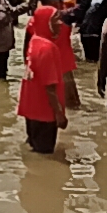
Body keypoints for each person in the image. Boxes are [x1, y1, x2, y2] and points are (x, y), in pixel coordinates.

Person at [17, 9, 70, 154]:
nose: (60, 23)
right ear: (46, 23)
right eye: (56, 19)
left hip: (31, 110)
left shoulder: (34, 41)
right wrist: (59, 113)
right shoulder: (48, 49)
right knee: (45, 155)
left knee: (34, 150)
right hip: (45, 113)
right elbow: (50, 87)